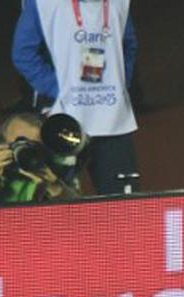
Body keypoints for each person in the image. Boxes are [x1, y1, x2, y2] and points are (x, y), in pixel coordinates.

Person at [12, 0, 140, 195]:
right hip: (63, 122)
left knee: (123, 207)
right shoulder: (44, 4)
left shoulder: (119, 3)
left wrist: (120, 85)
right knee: (59, 203)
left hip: (113, 123)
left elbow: (129, 46)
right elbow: (23, 53)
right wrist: (58, 90)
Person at [0, 112, 78, 204]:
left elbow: (82, 214)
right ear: (1, 143)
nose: (25, 150)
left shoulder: (57, 165)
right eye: (19, 143)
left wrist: (55, 186)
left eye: (33, 146)